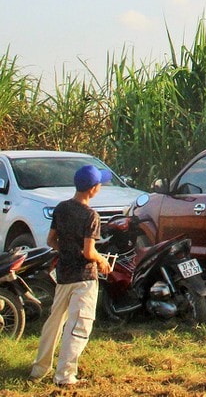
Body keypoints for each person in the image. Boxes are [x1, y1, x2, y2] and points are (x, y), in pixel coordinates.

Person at [30, 164, 113, 387]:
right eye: (100, 185)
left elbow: (51, 240)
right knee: (79, 326)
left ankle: (39, 369)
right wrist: (102, 260)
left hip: (63, 275)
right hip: (84, 277)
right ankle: (65, 376)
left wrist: (65, 251)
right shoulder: (91, 215)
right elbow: (89, 252)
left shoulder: (61, 208)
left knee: (54, 322)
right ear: (93, 189)